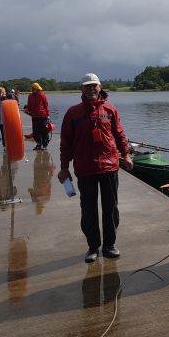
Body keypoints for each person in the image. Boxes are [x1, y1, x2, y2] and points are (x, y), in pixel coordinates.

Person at [57, 73, 134, 263]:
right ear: (81, 89)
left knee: (111, 208)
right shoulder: (73, 113)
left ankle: (109, 245)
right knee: (88, 210)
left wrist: (126, 155)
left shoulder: (110, 110)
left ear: (100, 87)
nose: (91, 89)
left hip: (109, 167)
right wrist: (64, 167)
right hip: (85, 168)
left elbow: (120, 134)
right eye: (87, 86)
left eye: (94, 86)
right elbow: (65, 143)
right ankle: (93, 246)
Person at [25, 82, 50, 150]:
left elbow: (46, 105)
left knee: (44, 131)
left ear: (37, 88)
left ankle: (44, 145)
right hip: (34, 116)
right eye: (32, 88)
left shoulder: (42, 95)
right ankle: (39, 144)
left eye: (33, 88)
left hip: (43, 116)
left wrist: (48, 115)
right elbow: (29, 105)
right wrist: (27, 109)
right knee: (35, 132)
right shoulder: (30, 96)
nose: (32, 89)